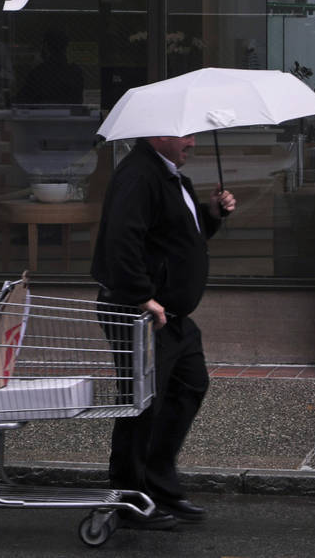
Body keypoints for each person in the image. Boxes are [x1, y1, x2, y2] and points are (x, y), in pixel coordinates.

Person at [90, 134, 235, 530]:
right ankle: (130, 498)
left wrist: (212, 214)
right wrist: (141, 297)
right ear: (159, 134)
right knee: (142, 404)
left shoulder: (171, 177)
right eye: (186, 135)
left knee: (189, 384)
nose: (193, 143)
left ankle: (159, 484)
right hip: (142, 312)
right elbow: (122, 239)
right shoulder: (139, 176)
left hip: (171, 315)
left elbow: (180, 237)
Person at [16, 26, 84, 104]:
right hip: (68, 115)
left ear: (45, 46)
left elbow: (22, 99)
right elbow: (77, 101)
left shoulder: (38, 73)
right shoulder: (75, 72)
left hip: (42, 115)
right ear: (66, 47)